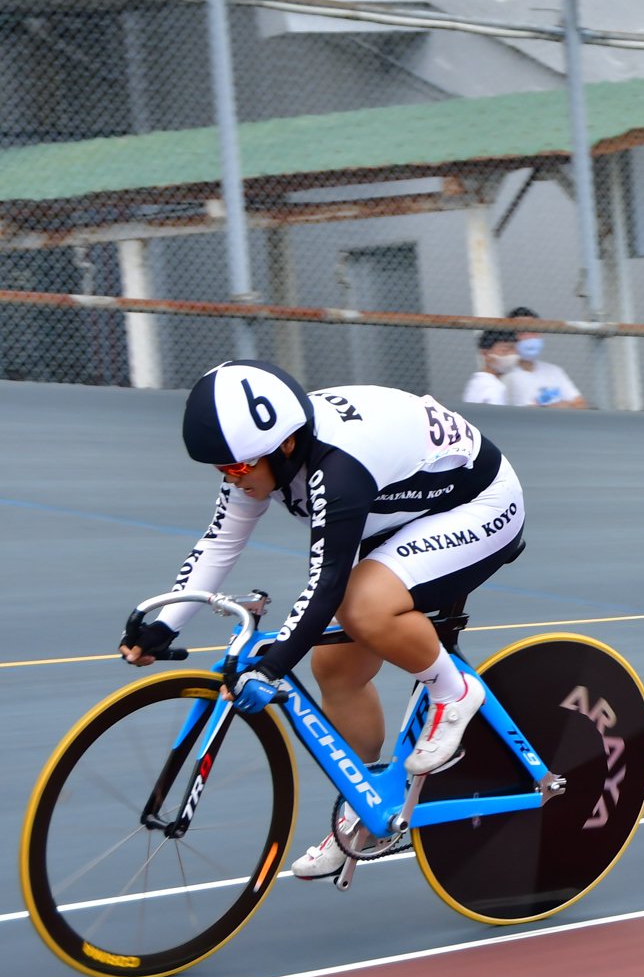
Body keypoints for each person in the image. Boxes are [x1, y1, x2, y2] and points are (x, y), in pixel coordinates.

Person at [118, 360, 526, 879]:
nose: (230, 478)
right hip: (398, 513)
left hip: (478, 505)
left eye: (238, 469)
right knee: (334, 670)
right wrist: (164, 626)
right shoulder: (263, 456)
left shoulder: (337, 467)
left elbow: (326, 582)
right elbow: (220, 543)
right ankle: (366, 808)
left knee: (360, 606)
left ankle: (454, 692)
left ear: (285, 445)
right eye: (220, 469)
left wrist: (270, 667)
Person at [501, 307, 587, 409]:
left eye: (533, 330)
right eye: (522, 332)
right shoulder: (505, 375)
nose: (529, 336)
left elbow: (580, 404)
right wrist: (559, 406)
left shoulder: (554, 371)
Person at [463, 328, 518, 407]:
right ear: (485, 354)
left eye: (515, 350)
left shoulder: (476, 381)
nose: (513, 355)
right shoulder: (494, 388)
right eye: (505, 350)